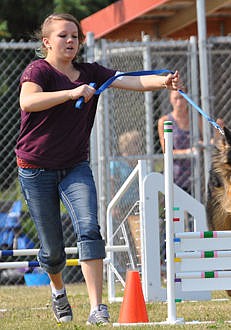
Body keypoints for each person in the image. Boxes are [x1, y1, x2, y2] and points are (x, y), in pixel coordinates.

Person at [15, 13, 183, 325]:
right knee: (53, 252)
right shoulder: (37, 70)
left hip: (75, 166)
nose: (70, 41)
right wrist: (72, 93)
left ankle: (97, 308)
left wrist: (162, 81)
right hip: (35, 168)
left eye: (75, 36)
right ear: (46, 42)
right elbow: (28, 102)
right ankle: (58, 291)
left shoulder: (91, 71)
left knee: (90, 229)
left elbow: (128, 80)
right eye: (63, 36)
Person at [157, 89, 202, 194]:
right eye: (176, 98)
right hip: (175, 174)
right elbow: (166, 151)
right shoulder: (164, 121)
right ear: (170, 100)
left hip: (195, 174)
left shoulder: (196, 119)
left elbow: (206, 141)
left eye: (182, 98)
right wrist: (187, 152)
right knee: (176, 207)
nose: (179, 102)